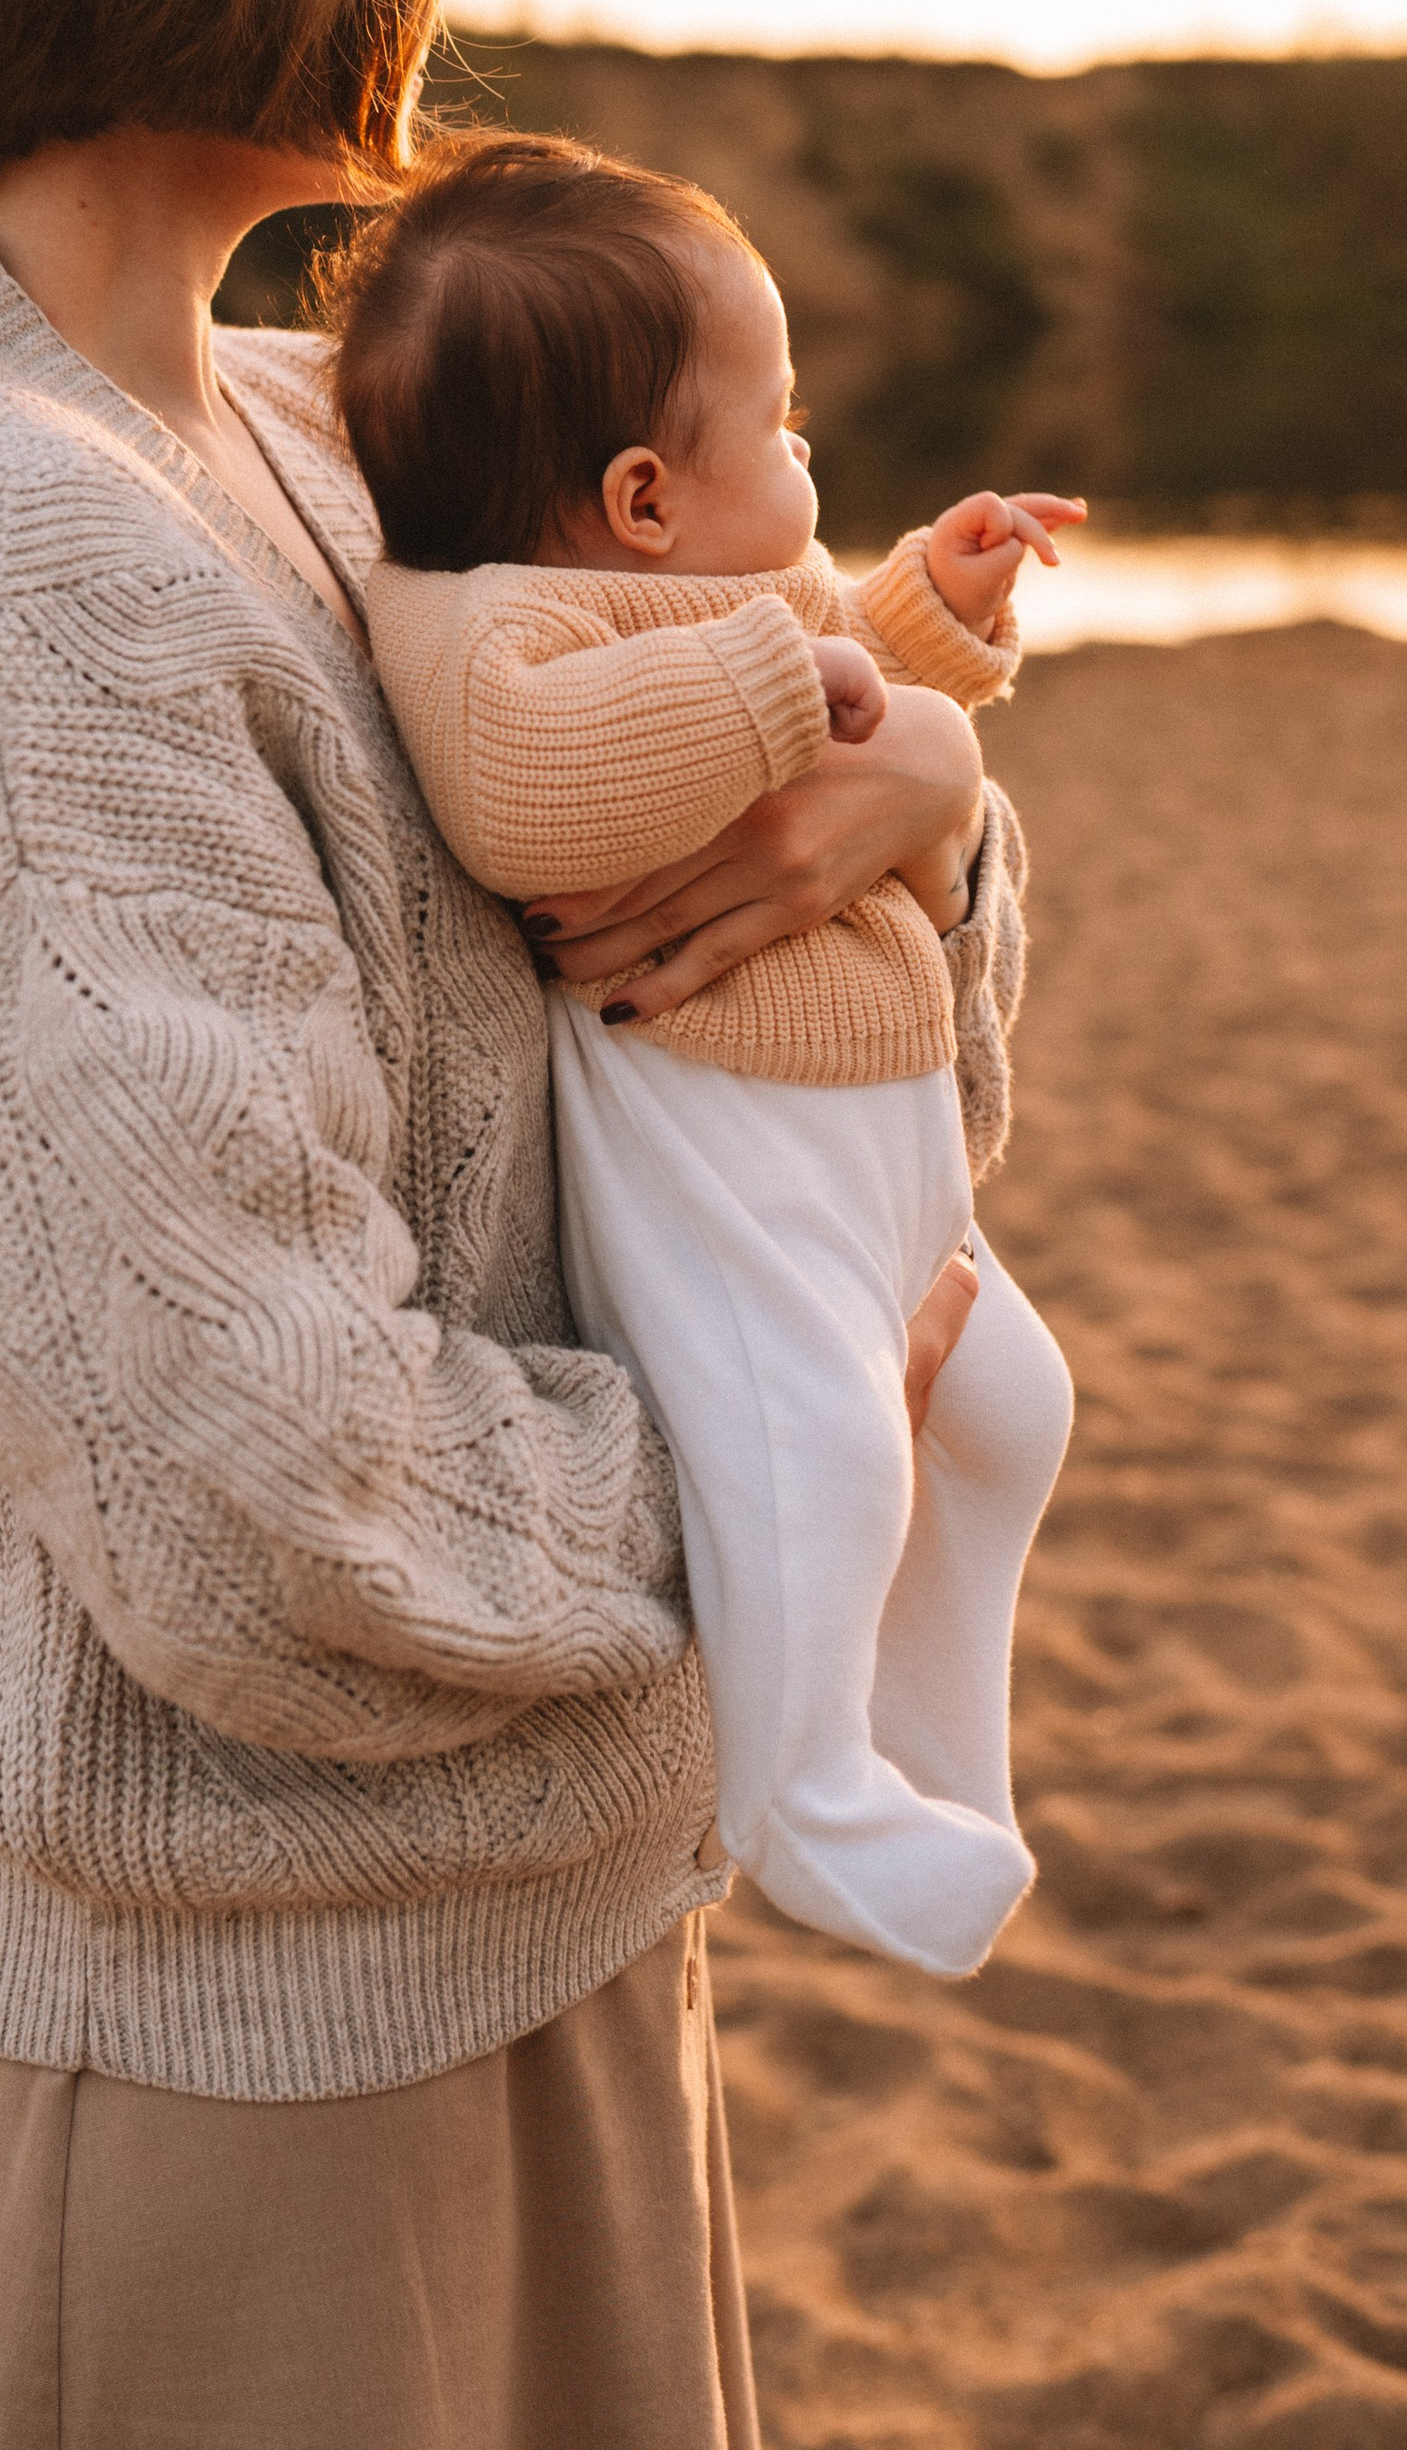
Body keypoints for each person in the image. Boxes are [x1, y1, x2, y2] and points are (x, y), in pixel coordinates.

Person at [0, 0, 1018, 2450]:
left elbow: (708, 921)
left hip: (524, 1938)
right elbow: (259, 1495)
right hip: (215, 2088)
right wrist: (783, 1459)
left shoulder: (300, 419)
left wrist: (928, 800)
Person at [329, 131, 1079, 1976]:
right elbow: (525, 782)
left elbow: (854, 647)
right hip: (730, 1171)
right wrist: (802, 694)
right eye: (788, 419)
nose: (812, 456)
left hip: (875, 1148)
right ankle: (805, 1797)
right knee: (825, 1453)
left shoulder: (722, 587)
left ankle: (938, 1756)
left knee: (1009, 1413)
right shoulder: (483, 618)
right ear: (647, 498)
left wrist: (938, 610)